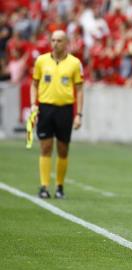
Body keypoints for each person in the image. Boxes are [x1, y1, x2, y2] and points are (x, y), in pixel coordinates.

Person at [30, 30, 84, 199]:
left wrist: (79, 114)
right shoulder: (41, 61)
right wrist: (33, 104)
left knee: (63, 149)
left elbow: (80, 90)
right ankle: (44, 186)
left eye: (59, 40)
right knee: (45, 147)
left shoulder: (75, 63)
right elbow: (34, 83)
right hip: (46, 108)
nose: (55, 43)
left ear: (66, 42)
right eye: (53, 40)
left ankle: (59, 187)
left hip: (65, 109)